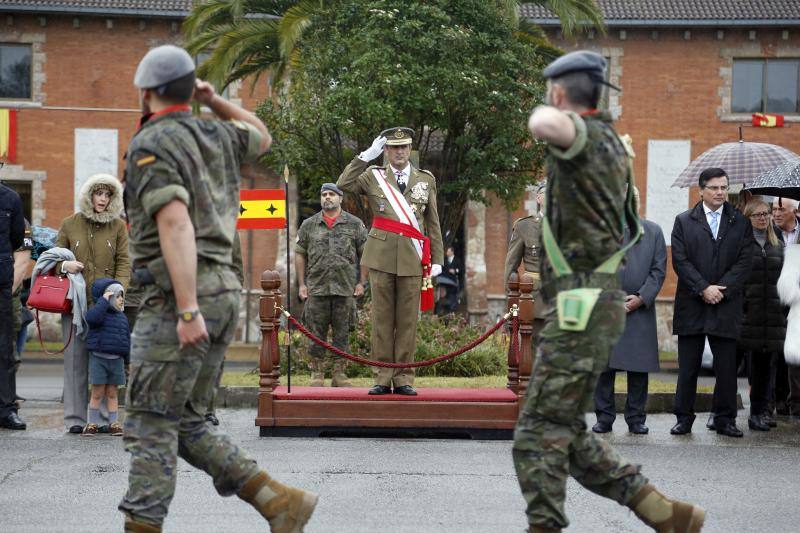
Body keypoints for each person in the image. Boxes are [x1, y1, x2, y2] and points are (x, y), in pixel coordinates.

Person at [119, 45, 316, 533]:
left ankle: (142, 526)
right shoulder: (218, 132)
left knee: (150, 422)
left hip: (179, 297)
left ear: (146, 92)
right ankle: (277, 501)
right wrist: (216, 100)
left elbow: (175, 224)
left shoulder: (153, 144)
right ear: (192, 91)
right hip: (226, 291)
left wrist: (186, 311)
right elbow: (262, 137)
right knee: (186, 420)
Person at [512, 50, 705, 533]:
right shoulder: (611, 144)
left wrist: (548, 114)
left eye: (549, 93)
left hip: (580, 309)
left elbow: (548, 125)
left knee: (537, 433)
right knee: (566, 430)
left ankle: (544, 526)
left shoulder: (588, 137)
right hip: (584, 306)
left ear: (559, 93)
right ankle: (661, 511)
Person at [337, 127, 444, 396]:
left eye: (404, 147)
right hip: (382, 256)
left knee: (408, 321)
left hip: (413, 256)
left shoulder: (425, 179)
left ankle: (404, 377)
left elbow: (433, 222)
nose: (399, 152)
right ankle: (382, 376)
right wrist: (365, 156)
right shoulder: (373, 177)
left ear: (410, 149)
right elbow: (342, 185)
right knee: (382, 319)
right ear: (385, 151)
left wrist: (438, 259)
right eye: (394, 148)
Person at [670, 167, 752, 438]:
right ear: (701, 190)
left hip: (726, 304)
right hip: (692, 303)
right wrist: (703, 287)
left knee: (727, 368)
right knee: (689, 367)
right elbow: (680, 261)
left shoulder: (739, 221)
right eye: (715, 188)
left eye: (724, 187)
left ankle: (725, 419)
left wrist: (721, 290)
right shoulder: (684, 221)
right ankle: (683, 418)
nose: (720, 192)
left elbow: (744, 261)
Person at [55, 173, 131, 434]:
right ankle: (76, 419)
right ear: (89, 196)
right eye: (98, 193)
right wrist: (63, 265)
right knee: (75, 362)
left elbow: (124, 262)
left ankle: (101, 419)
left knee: (106, 362)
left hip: (107, 308)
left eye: (108, 194)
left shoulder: (118, 227)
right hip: (75, 304)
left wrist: (118, 290)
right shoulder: (69, 224)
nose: (103, 199)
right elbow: (51, 259)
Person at [593, 188, 667, 435]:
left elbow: (658, 271)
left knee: (638, 368)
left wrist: (641, 298)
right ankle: (604, 417)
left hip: (640, 309)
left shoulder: (653, 231)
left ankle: (636, 418)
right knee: (604, 368)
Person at [296, 182, 367, 387]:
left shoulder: (354, 224)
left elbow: (365, 254)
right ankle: (317, 373)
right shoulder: (309, 224)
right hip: (317, 288)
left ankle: (339, 374)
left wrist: (362, 282)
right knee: (316, 333)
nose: (327, 197)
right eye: (324, 194)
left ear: (340, 199)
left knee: (342, 332)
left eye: (332, 194)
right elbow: (300, 254)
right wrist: (302, 284)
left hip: (345, 288)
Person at [738, 199, 785, 431]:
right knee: (737, 365)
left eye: (766, 213)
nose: (762, 218)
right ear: (748, 217)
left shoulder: (777, 241)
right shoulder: (740, 242)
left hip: (773, 315)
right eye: (757, 215)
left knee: (766, 367)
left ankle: (759, 412)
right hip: (748, 314)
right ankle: (719, 411)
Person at [83, 278, 129, 437]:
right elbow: (91, 319)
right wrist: (103, 301)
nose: (121, 299)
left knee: (112, 393)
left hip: (116, 361)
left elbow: (125, 341)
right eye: (117, 296)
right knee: (97, 393)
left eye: (122, 296)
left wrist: (127, 361)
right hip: (99, 359)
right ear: (108, 297)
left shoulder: (122, 317)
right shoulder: (99, 314)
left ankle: (114, 423)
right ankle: (92, 423)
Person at [504, 180, 546, 337]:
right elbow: (511, 264)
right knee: (532, 350)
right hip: (535, 299)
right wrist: (512, 298)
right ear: (538, 198)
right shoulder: (524, 226)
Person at [0, 178, 25, 430]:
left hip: (1, 283)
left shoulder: (11, 198)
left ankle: (6, 409)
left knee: (4, 348)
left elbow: (18, 237)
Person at [773, 197, 800, 420]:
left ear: (795, 211)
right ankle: (778, 399)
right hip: (774, 300)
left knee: (794, 354)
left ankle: (795, 402)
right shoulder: (768, 233)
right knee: (777, 354)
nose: (776, 213)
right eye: (774, 209)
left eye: (781, 209)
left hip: (797, 303)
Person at [436, 246, 462, 314]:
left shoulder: (457, 260)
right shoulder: (444, 260)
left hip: (453, 282)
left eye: (448, 251)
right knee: (443, 295)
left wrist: (455, 271)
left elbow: (461, 269)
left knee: (452, 297)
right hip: (445, 281)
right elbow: (442, 269)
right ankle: (442, 310)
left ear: (452, 252)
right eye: (447, 251)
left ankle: (452, 310)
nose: (447, 253)